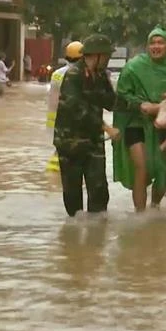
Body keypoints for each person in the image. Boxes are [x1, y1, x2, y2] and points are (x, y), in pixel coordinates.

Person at [113, 25, 166, 211]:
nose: (156, 47)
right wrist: (141, 105)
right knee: (141, 167)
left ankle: (155, 209)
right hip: (134, 124)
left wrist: (162, 109)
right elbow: (121, 95)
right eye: (152, 43)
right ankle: (140, 216)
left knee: (162, 173)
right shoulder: (133, 67)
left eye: (160, 42)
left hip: (160, 126)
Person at [53, 34, 118, 218]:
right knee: (73, 195)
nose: (108, 59)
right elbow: (77, 110)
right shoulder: (73, 75)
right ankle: (73, 239)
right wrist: (107, 128)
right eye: (106, 56)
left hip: (93, 141)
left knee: (99, 191)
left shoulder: (100, 75)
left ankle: (96, 239)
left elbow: (111, 103)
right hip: (70, 142)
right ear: (96, 55)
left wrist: (139, 106)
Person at [46, 41, 84, 172]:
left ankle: (51, 179)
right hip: (72, 123)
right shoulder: (80, 74)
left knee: (59, 155)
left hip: (56, 122)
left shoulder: (57, 74)